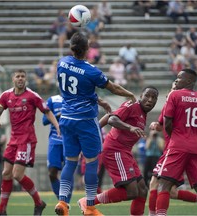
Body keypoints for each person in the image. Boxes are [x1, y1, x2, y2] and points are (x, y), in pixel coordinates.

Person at [54, 32, 136, 216]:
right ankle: (90, 206)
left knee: (70, 162)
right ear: (87, 49)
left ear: (71, 48)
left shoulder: (62, 62)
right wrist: (129, 94)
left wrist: (98, 100)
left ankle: (62, 202)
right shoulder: (92, 71)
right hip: (85, 121)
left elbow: (80, 90)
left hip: (66, 119)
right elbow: (113, 87)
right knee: (91, 163)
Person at [77, 86, 159, 216]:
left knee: (142, 189)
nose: (150, 100)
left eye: (154, 98)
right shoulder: (132, 105)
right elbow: (112, 119)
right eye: (147, 96)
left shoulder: (142, 113)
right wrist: (130, 127)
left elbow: (109, 115)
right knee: (131, 192)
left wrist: (97, 128)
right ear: (140, 97)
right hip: (115, 150)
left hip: (125, 152)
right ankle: (89, 201)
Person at [155, 68, 197, 215]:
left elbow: (167, 123)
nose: (177, 80)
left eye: (180, 78)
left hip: (178, 147)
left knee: (164, 186)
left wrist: (175, 138)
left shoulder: (175, 95)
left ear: (190, 81)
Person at [0, 69, 61, 215]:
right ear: (13, 79)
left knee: (17, 174)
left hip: (27, 140)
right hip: (13, 140)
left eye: (22, 76)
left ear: (26, 79)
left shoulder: (32, 96)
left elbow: (47, 111)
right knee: (6, 173)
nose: (20, 79)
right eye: (17, 76)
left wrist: (57, 126)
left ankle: (38, 202)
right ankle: (1, 209)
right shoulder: (6, 95)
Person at [42, 94, 73, 205]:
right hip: (55, 141)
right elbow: (44, 120)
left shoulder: (74, 98)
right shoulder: (52, 99)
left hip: (69, 140)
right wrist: (58, 115)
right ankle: (61, 199)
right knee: (52, 173)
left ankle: (65, 203)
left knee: (68, 172)